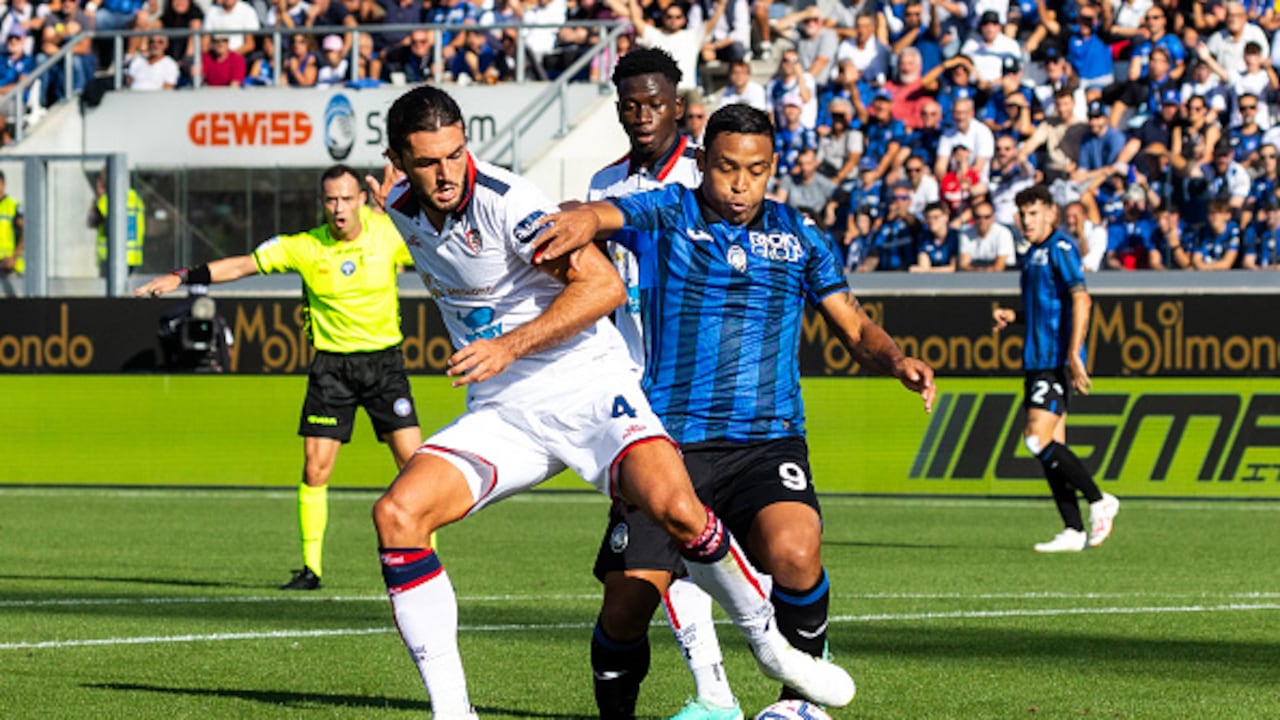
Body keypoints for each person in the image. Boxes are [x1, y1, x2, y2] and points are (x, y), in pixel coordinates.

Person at [373, 85, 856, 720]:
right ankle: (453, 713)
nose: (446, 173)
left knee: (681, 510)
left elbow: (601, 288)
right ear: (398, 161)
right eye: (429, 160)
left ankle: (773, 653)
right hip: (505, 411)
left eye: (456, 154)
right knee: (397, 515)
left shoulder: (507, 201)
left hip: (589, 389)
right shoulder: (402, 205)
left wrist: (509, 346)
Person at [533, 101, 934, 717]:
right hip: (668, 444)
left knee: (797, 548)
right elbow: (600, 213)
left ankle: (796, 705)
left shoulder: (800, 236)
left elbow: (854, 329)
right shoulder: (666, 211)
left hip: (766, 441)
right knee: (629, 600)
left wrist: (899, 360)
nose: (740, 183)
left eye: (756, 169)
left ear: (772, 168)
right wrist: (571, 219)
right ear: (703, 165)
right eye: (725, 168)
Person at [134, 165, 422, 591]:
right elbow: (241, 266)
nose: (339, 209)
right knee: (315, 469)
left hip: (385, 366)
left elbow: (443, 248)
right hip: (332, 370)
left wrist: (409, 204)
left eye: (346, 199)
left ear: (362, 198)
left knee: (416, 468)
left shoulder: (389, 234)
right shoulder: (305, 247)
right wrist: (182, 277)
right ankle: (311, 569)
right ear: (322, 203)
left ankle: (424, 558)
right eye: (331, 200)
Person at [584, 47, 736, 720]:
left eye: (654, 104)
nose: (642, 116)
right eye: (630, 106)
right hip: (628, 390)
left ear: (678, 106)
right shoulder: (603, 183)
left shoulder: (706, 176)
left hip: (696, 389)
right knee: (649, 559)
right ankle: (718, 691)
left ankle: (721, 692)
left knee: (662, 548)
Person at [992, 184, 1119, 553]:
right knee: (1052, 446)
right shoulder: (1032, 254)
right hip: (1036, 362)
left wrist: (1075, 353)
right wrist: (1013, 317)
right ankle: (1073, 529)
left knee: (1036, 438)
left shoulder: (1060, 248)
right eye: (1022, 214)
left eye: (1034, 213)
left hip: (1053, 362)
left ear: (1050, 213)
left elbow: (1081, 298)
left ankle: (1099, 499)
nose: (1026, 221)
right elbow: (1043, 309)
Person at [89, 170, 146, 275]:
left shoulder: (107, 200)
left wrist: (99, 197)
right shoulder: (134, 197)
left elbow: (92, 222)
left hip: (111, 256)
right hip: (132, 256)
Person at [0, 170, 22, 297]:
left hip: (8, 265)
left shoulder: (12, 205)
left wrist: (14, 257)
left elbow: (26, 232)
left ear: (4, 184)